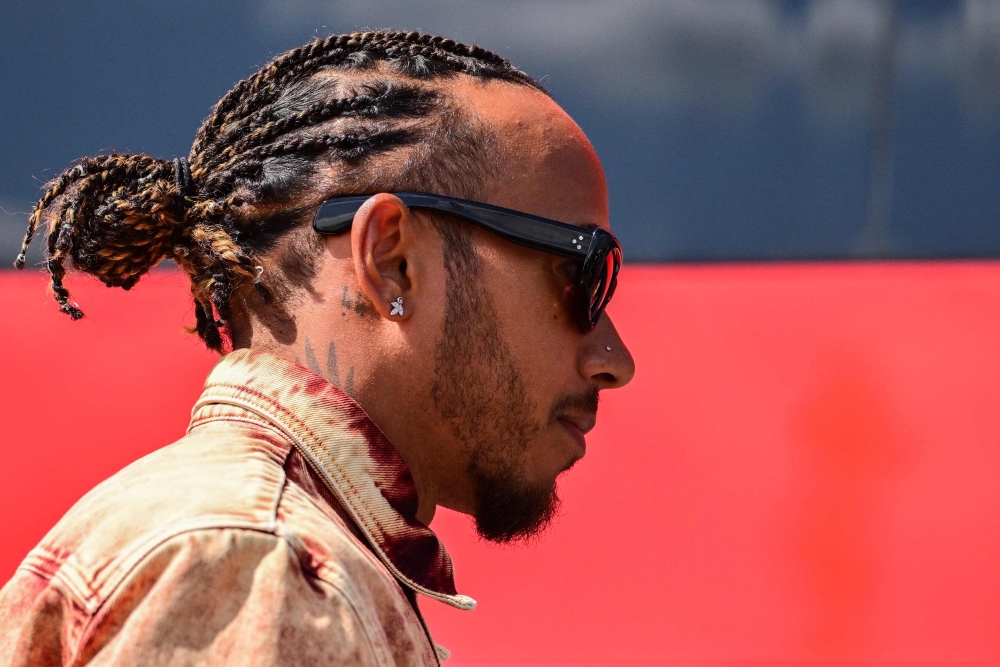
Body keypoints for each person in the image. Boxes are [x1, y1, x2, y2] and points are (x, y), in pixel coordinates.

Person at [0, 31, 635, 665]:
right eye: (583, 274)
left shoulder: (270, 549)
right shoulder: (261, 565)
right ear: (392, 261)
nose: (615, 359)